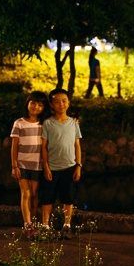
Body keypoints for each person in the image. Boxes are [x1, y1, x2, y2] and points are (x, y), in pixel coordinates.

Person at [40, 88, 82, 239]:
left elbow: (77, 146)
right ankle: (45, 226)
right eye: (57, 101)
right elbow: (43, 147)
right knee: (47, 198)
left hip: (70, 167)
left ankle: (67, 225)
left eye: (64, 101)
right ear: (51, 104)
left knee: (68, 198)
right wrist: (46, 167)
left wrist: (78, 166)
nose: (61, 104)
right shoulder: (47, 124)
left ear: (69, 103)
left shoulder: (73, 123)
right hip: (52, 167)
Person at [10, 91, 49, 237]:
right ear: (27, 103)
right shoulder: (19, 122)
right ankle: (28, 225)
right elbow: (14, 146)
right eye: (33, 103)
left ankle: (33, 222)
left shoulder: (45, 124)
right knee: (25, 193)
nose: (35, 107)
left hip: (38, 165)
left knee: (34, 194)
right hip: (23, 165)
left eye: (40, 105)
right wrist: (14, 166)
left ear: (44, 108)